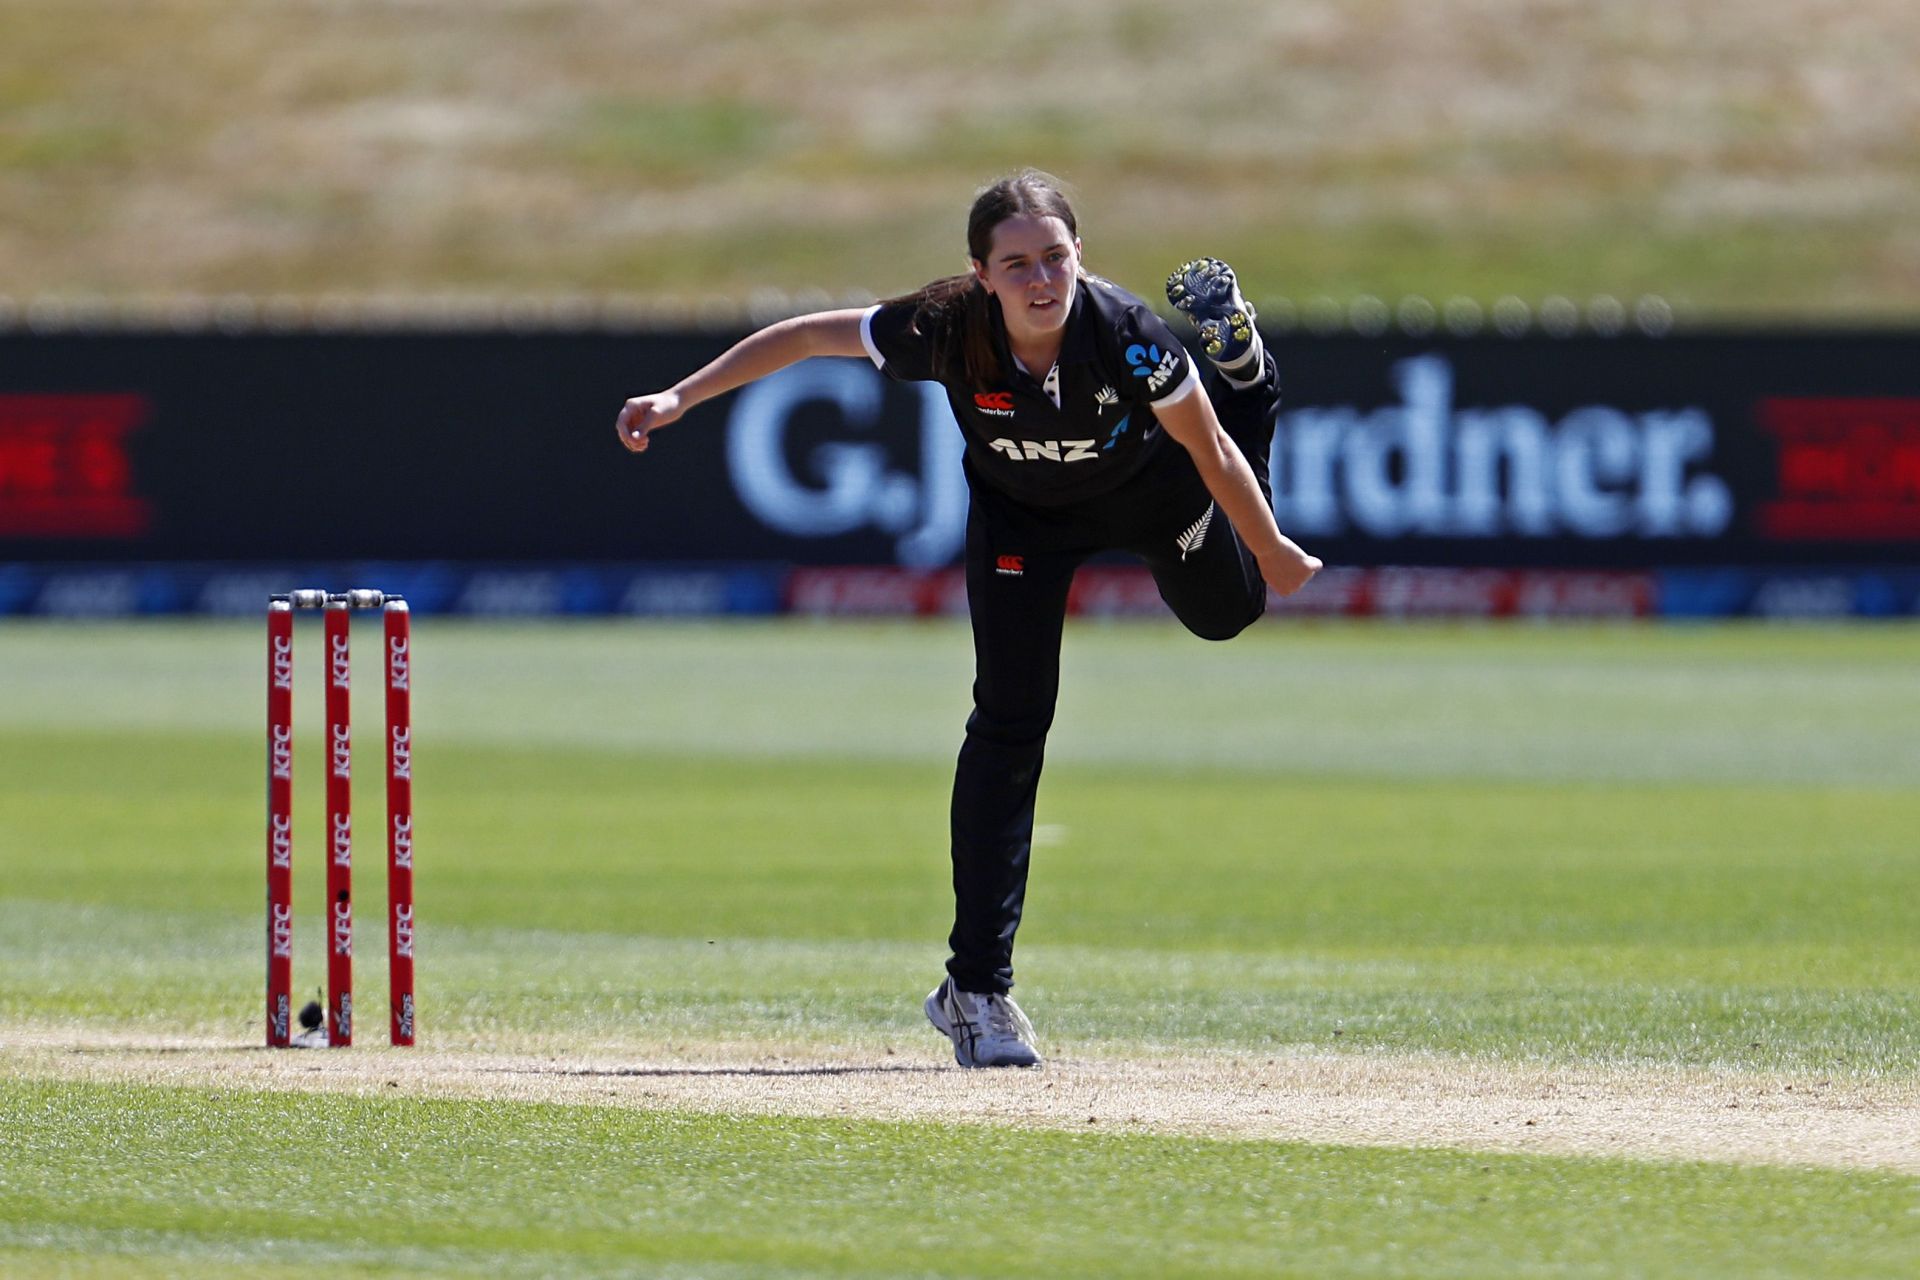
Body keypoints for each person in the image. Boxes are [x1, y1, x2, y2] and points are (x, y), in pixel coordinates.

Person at [616, 169, 1320, 1069]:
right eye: (1016, 263)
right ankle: (976, 991)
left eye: (1056, 259)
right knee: (1009, 724)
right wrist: (680, 397)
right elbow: (803, 338)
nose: (1040, 281)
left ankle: (1248, 373)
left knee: (1229, 614)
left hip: (1151, 493)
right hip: (1021, 518)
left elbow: (1210, 452)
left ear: (1080, 259)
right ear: (980, 273)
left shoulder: (1133, 339)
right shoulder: (946, 325)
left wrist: (1271, 548)